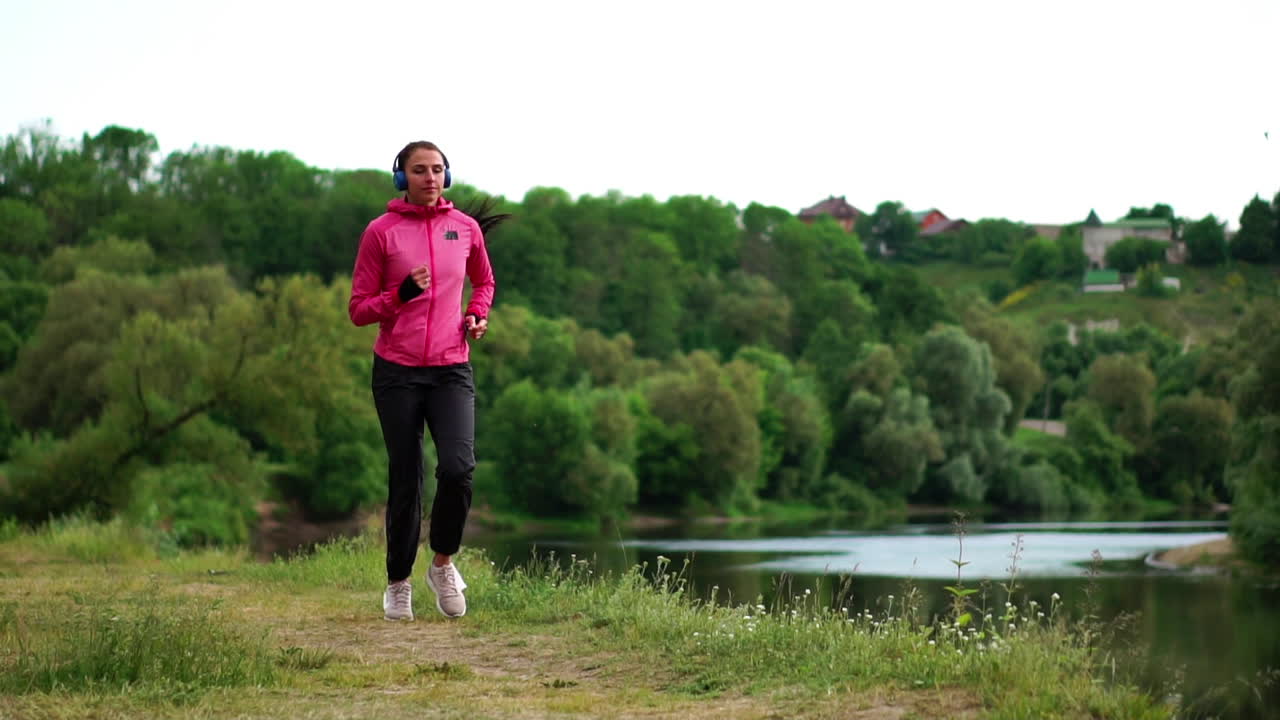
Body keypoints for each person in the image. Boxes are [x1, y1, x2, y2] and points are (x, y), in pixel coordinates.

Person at [348, 140, 506, 620]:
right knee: (407, 477)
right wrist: (399, 294)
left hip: (450, 368)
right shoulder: (382, 233)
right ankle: (398, 583)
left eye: (437, 170)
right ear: (402, 178)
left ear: (447, 176)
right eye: (419, 170)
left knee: (458, 468)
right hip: (396, 371)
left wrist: (477, 315)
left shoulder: (465, 229)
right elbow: (359, 310)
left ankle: (442, 563)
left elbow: (485, 282)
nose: (430, 178)